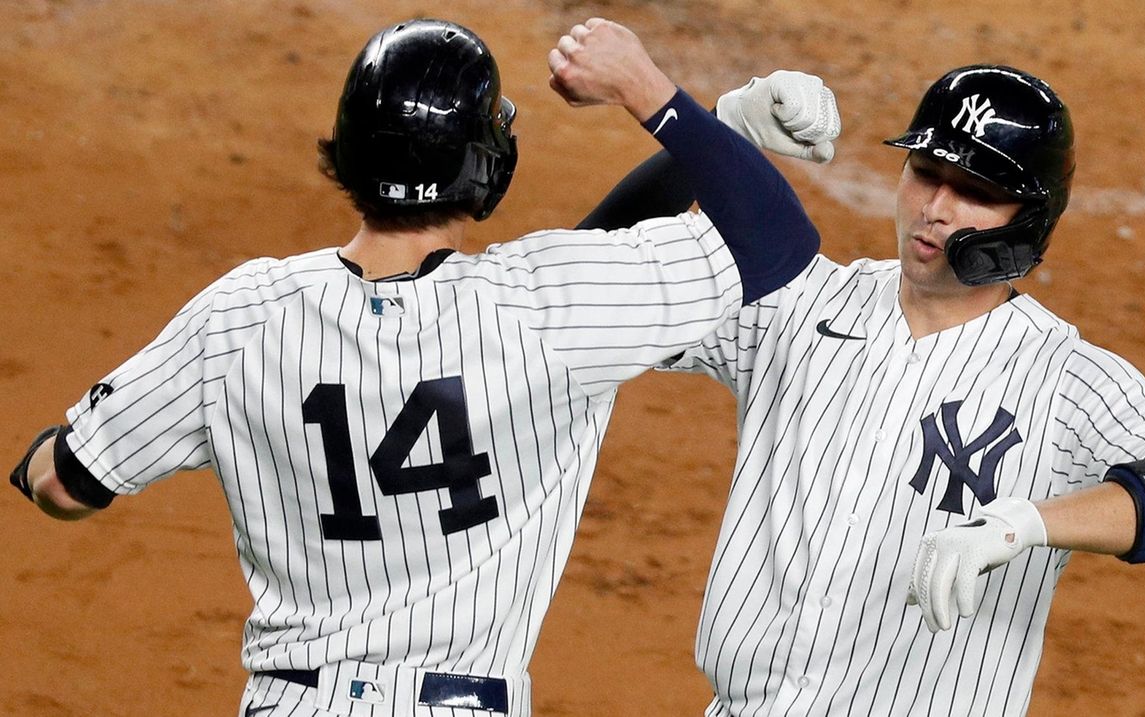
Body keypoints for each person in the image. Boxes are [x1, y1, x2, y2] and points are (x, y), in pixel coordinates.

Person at [7, 17, 840, 716]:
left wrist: (52, 451)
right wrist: (672, 107)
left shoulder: (242, 313)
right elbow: (774, 238)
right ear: (483, 163)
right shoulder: (542, 311)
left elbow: (62, 485)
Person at [591, 64, 1145, 715]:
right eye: (925, 172)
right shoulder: (797, 302)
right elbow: (588, 293)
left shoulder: (1061, 376)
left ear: (1029, 219)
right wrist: (713, 136)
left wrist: (1025, 523)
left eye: (974, 190)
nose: (935, 209)